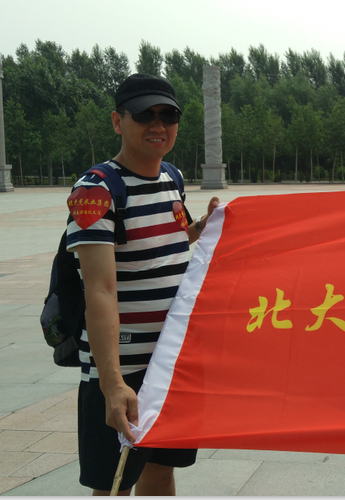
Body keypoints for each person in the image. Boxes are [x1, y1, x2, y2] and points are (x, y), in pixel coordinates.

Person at [67, 73, 220, 495]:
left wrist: (205, 225)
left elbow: (170, 239)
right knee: (112, 485)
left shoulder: (171, 177)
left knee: (160, 472)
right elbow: (99, 290)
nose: (158, 125)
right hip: (125, 367)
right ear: (118, 121)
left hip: (170, 362)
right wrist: (112, 383)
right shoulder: (96, 189)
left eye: (168, 116)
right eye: (144, 115)